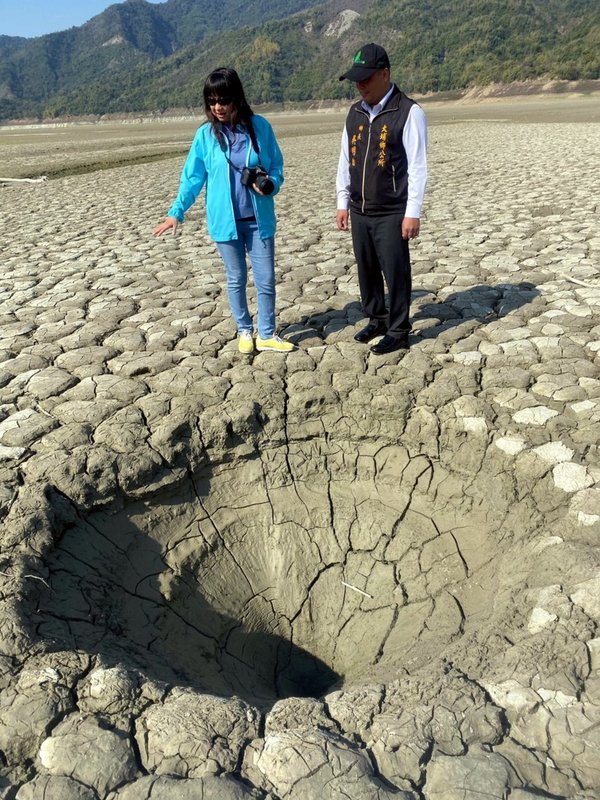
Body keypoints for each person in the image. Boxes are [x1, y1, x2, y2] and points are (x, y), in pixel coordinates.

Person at [153, 67, 294, 354]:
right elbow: (192, 178)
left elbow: (276, 166)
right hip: (225, 223)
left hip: (258, 221)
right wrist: (176, 212)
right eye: (212, 101)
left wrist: (271, 185)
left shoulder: (260, 127)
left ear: (237, 98)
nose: (218, 107)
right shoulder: (205, 136)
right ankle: (244, 330)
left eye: (224, 100)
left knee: (266, 280)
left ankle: (267, 333)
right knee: (236, 279)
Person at [336, 43, 428, 355]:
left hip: (391, 209)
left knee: (396, 271)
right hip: (360, 207)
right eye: (356, 81)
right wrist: (342, 201)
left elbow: (417, 166)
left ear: (385, 74)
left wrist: (412, 211)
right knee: (367, 269)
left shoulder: (408, 112)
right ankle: (377, 318)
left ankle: (399, 330)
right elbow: (345, 160)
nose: (360, 86)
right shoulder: (355, 113)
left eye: (366, 79)